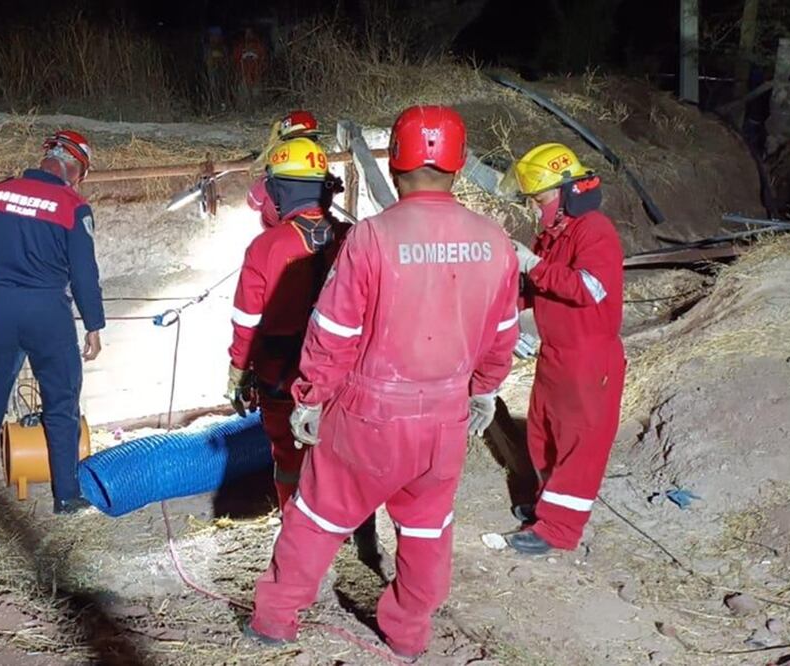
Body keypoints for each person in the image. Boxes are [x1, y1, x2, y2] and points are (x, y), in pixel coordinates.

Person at [247, 105, 520, 661]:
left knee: (318, 516)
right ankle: (408, 633)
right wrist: (485, 389)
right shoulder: (494, 241)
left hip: (368, 415)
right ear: (459, 165)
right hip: (444, 420)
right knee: (426, 530)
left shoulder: (372, 237)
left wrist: (311, 395)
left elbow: (334, 330)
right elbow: (503, 334)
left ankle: (276, 619)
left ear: (393, 163)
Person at [0, 130, 105, 516]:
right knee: (61, 402)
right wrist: (93, 324)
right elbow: (84, 274)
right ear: (75, 169)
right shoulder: (73, 206)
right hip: (47, 312)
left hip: (1, 307)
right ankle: (66, 495)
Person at [505, 143, 625, 555]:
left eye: (539, 200)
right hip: (555, 353)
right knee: (543, 433)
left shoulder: (594, 230)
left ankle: (559, 530)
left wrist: (532, 265)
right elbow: (533, 288)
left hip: (588, 358)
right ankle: (546, 508)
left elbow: (588, 287)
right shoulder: (552, 235)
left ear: (564, 194)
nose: (536, 209)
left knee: (579, 443)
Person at [227, 136, 346, 511]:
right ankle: (341, 523)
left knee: (288, 456)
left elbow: (247, 322)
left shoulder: (265, 247)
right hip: (342, 374)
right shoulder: (351, 238)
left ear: (278, 190)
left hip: (281, 377)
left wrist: (237, 373)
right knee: (339, 452)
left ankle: (296, 524)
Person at [247, 110, 321, 231]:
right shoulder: (319, 170)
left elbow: (253, 201)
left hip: (280, 233)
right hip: (315, 231)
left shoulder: (271, 184)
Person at [232, 27, 267, 108]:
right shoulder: (240, 46)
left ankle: (257, 112)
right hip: (243, 76)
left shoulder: (259, 46)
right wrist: (238, 73)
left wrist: (261, 71)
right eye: (247, 32)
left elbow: (264, 60)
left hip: (256, 76)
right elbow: (235, 61)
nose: (248, 35)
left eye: (250, 32)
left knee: (256, 97)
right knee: (243, 98)